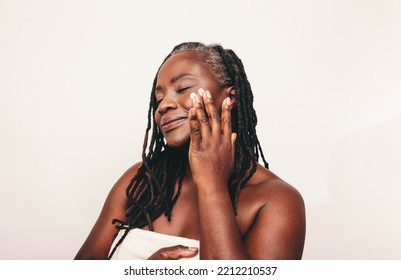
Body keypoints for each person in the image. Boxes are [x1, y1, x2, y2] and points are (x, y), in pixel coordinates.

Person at [74, 42, 306, 260]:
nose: (163, 106)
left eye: (183, 88)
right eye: (159, 98)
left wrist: (211, 183)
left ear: (231, 97)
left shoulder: (276, 201)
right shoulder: (141, 180)